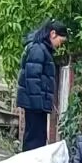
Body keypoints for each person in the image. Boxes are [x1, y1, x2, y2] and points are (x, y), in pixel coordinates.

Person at [15, 21, 69, 152]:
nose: (59, 46)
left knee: (36, 139)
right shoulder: (38, 49)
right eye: (60, 42)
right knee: (35, 140)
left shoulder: (40, 48)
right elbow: (32, 78)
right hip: (35, 105)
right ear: (53, 34)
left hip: (36, 103)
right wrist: (38, 104)